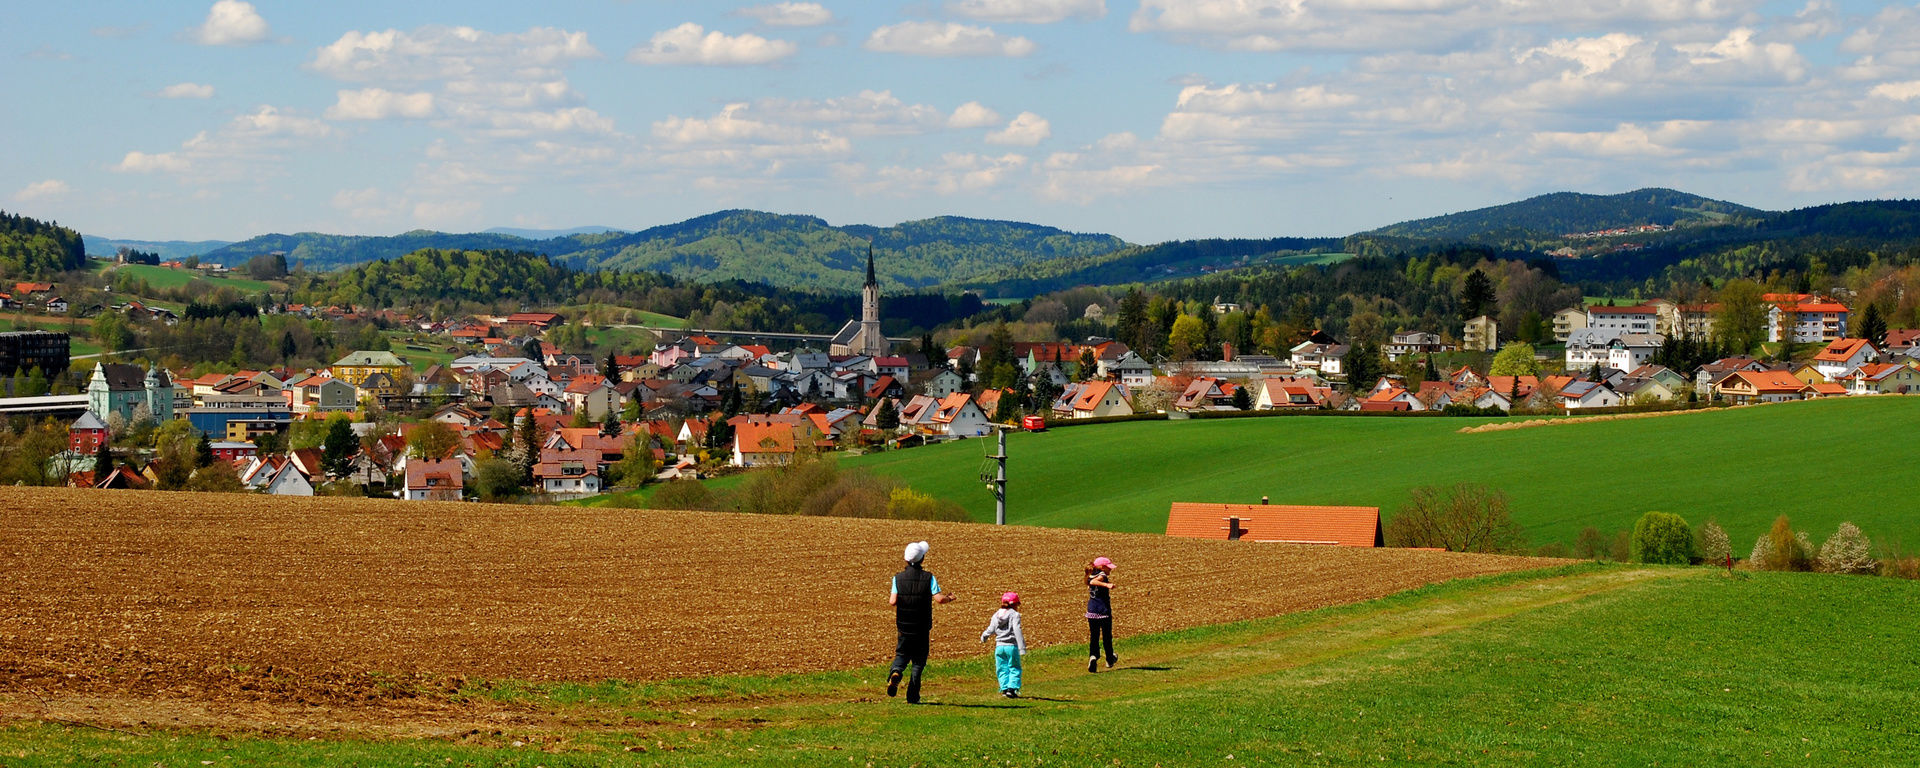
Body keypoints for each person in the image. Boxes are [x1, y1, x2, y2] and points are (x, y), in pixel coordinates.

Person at [888, 540, 955, 704]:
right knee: (918, 661)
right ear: (922, 559)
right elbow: (939, 599)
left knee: (901, 654)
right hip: (922, 627)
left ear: (905, 559)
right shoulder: (929, 578)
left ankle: (896, 672)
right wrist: (950, 598)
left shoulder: (898, 578)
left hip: (904, 626)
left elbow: (892, 601)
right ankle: (912, 696)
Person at [979, 591, 1027, 698]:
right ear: (1015, 604)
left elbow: (991, 629)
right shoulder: (1015, 615)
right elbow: (1017, 629)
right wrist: (1022, 647)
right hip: (1011, 646)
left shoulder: (996, 615)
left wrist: (984, 636)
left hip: (999, 647)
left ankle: (1004, 688)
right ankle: (1012, 688)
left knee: (1001, 668)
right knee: (1014, 667)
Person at [1085, 556, 1117, 672]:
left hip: (1091, 611)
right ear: (1103, 567)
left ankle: (1093, 656)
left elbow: (1091, 582)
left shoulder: (1090, 575)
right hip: (1103, 611)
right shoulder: (1102, 575)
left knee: (1094, 636)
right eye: (1109, 567)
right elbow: (1095, 582)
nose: (1110, 570)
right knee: (1107, 636)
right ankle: (1109, 658)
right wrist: (1107, 585)